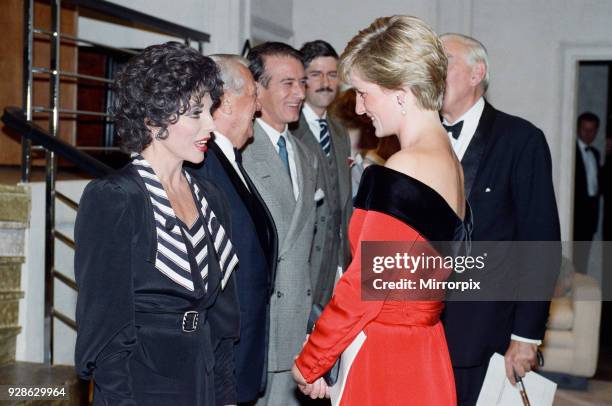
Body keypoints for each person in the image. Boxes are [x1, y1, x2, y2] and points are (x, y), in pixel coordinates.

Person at [292, 15, 467, 405]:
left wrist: (311, 360)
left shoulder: (409, 165)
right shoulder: (447, 160)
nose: (358, 106)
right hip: (420, 345)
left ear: (401, 94)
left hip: (390, 355)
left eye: (364, 92)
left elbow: (363, 286)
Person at [74, 42, 240, 406]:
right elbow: (106, 334)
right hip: (142, 385)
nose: (210, 125)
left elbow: (222, 320)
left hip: (204, 379)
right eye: (197, 113)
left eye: (210, 111)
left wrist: (226, 397)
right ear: (153, 120)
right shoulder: (115, 198)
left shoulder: (211, 198)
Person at [439, 33, 561, 406]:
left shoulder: (521, 140)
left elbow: (540, 243)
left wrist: (526, 337)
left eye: (442, 63)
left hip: (485, 331)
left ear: (477, 73)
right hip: (420, 328)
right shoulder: (415, 139)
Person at [190, 54, 277, 405]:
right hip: (219, 358)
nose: (259, 107)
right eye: (254, 95)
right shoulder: (202, 167)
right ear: (224, 102)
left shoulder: (230, 160)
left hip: (243, 350)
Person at [243, 42, 320, 406]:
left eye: (301, 83)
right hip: (260, 331)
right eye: (287, 84)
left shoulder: (305, 155)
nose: (300, 93)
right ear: (257, 89)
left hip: (297, 328)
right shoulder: (238, 151)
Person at [291, 40, 352, 307]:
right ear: (302, 80)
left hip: (337, 264)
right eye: (316, 75)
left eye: (332, 74)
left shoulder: (340, 133)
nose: (325, 82)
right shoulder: (289, 130)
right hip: (302, 267)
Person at [573, 111, 601, 273]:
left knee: (584, 259)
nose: (589, 134)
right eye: (585, 129)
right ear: (578, 129)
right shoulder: (572, 153)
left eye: (592, 130)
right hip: (576, 214)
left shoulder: (596, 154)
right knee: (574, 259)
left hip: (590, 215)